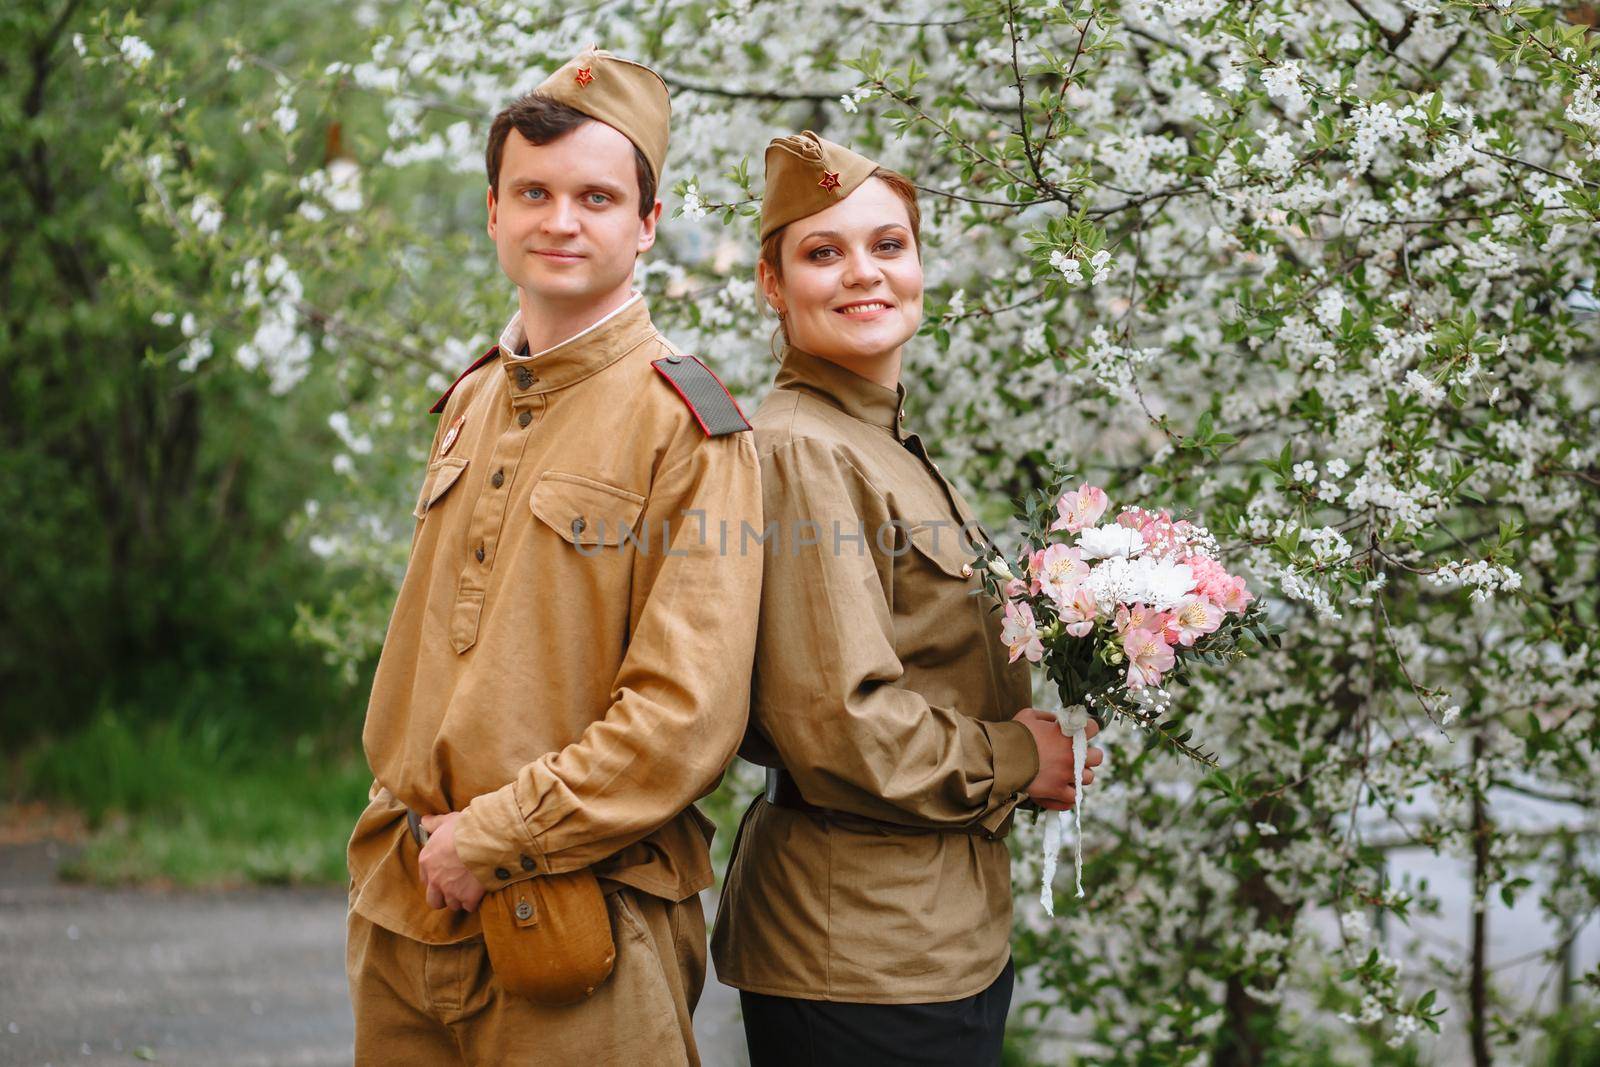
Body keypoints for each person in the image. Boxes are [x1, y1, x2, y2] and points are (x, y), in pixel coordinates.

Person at [343, 48, 762, 1066]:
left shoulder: (691, 428)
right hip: (406, 909)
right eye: (532, 191)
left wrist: (493, 834)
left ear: (646, 223)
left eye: (595, 196)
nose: (560, 220)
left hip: (581, 924)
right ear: (493, 211)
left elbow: (682, 714)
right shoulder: (473, 396)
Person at [710, 132, 1103, 1066]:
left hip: (934, 935)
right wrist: (1019, 758)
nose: (864, 275)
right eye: (822, 252)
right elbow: (841, 724)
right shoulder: (806, 449)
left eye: (888, 246)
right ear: (773, 283)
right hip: (862, 955)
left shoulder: (882, 442)